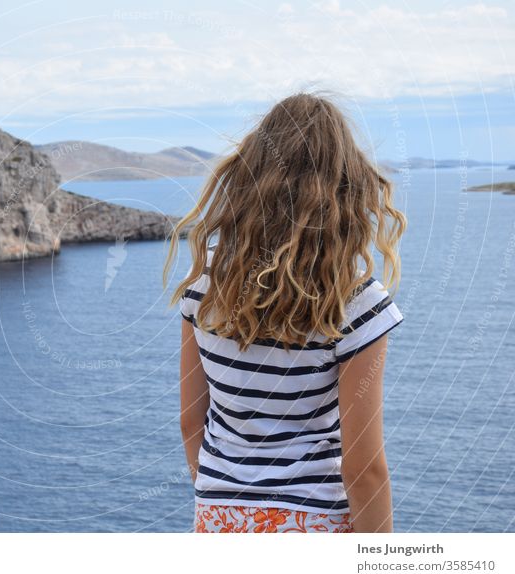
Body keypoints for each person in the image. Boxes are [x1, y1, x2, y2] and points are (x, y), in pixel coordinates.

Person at [163, 91, 407, 533]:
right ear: (345, 190)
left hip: (219, 515)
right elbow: (363, 468)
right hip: (315, 521)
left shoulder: (206, 285)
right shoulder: (354, 301)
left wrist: (228, 506)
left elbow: (189, 422)